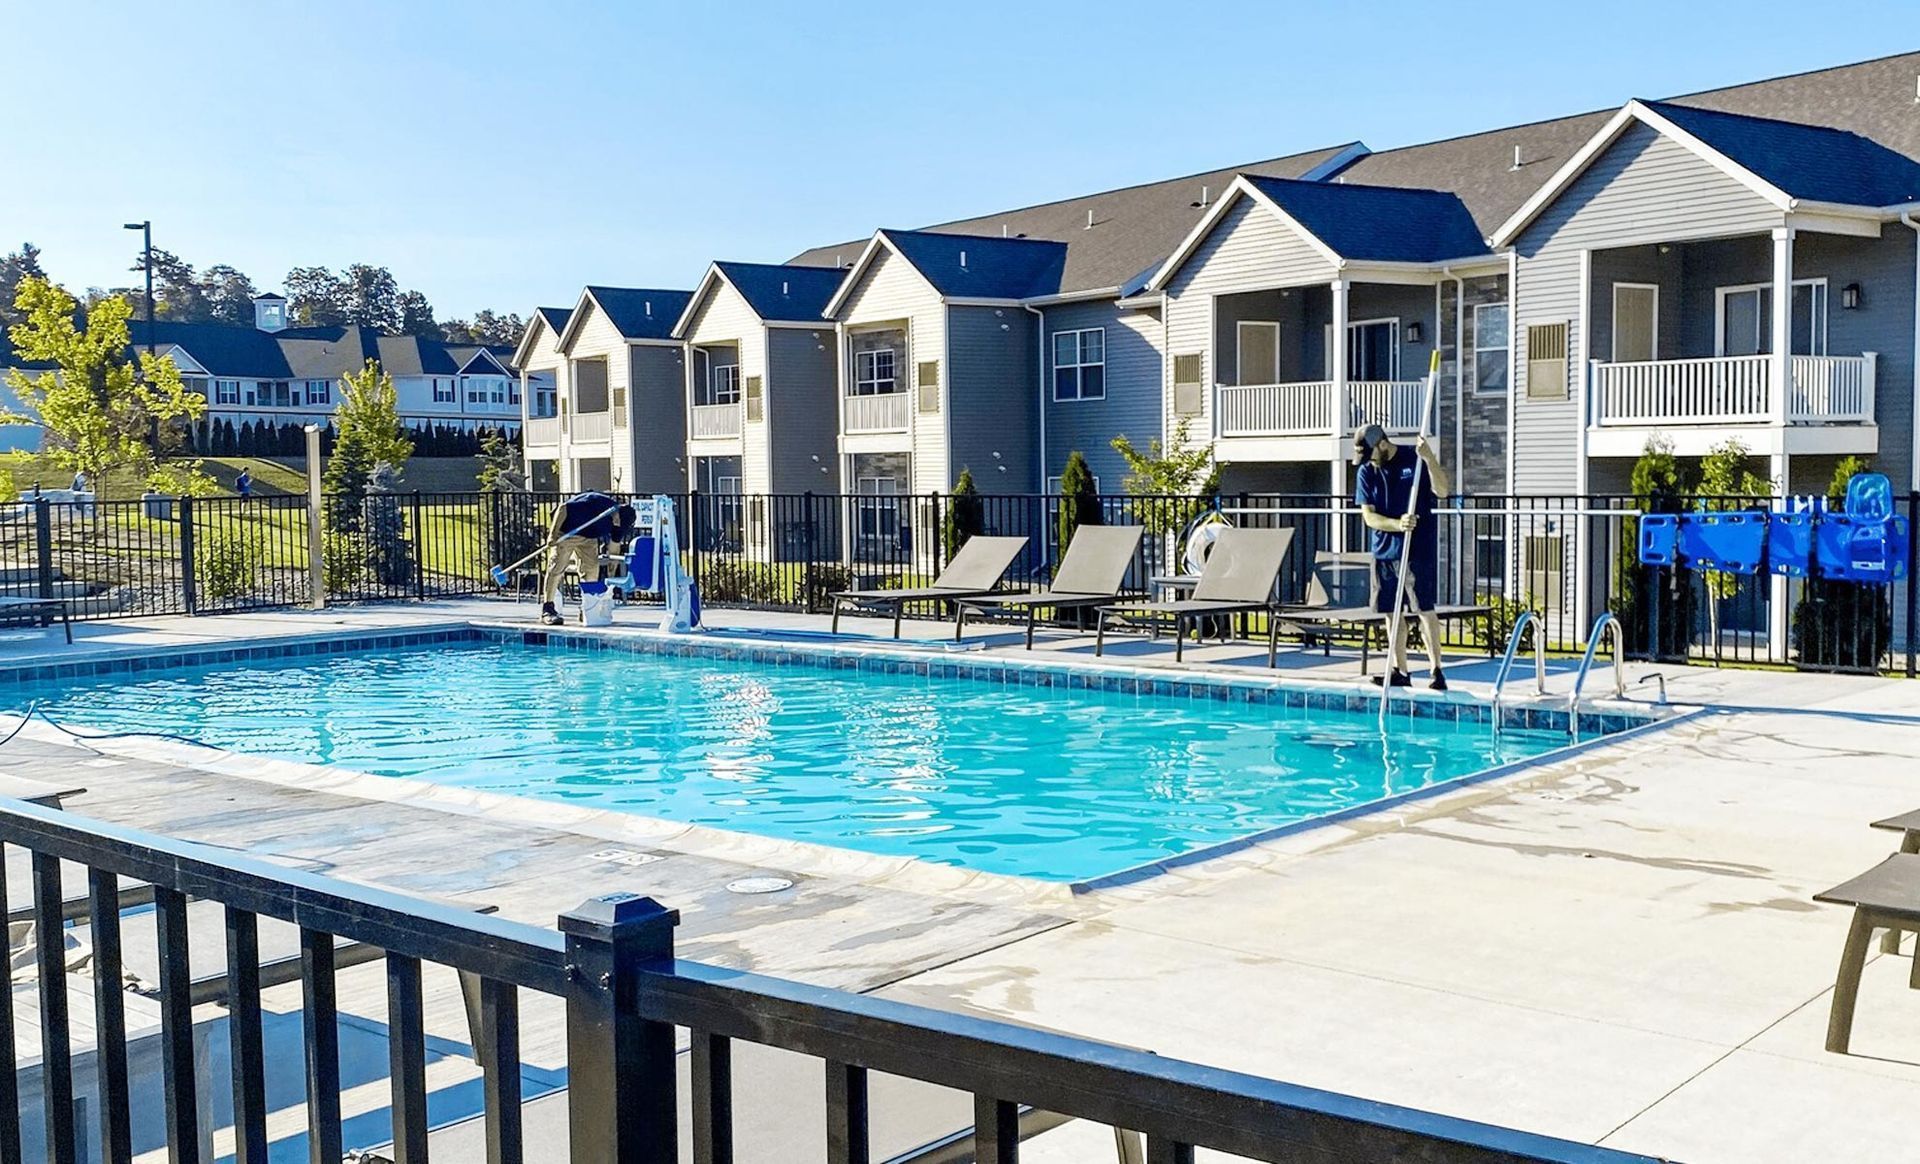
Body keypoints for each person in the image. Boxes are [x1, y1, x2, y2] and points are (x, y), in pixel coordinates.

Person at [1354, 423, 1451, 691]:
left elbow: (1442, 491)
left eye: (1371, 455)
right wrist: (1398, 524)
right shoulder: (1366, 471)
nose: (1368, 462)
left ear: (1382, 445)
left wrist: (1430, 458)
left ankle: (1436, 671)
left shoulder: (1415, 458)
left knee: (1424, 610)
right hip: (1385, 550)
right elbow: (1369, 516)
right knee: (1391, 614)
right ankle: (1401, 670)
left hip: (1417, 549)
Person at [539, 491, 637, 625]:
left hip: (589, 537)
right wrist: (553, 535)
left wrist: (612, 570)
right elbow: (563, 508)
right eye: (617, 521)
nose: (616, 524)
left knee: (591, 570)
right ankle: (548, 609)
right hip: (567, 530)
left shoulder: (620, 525)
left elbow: (614, 548)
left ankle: (586, 607)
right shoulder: (596, 504)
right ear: (616, 514)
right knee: (557, 567)